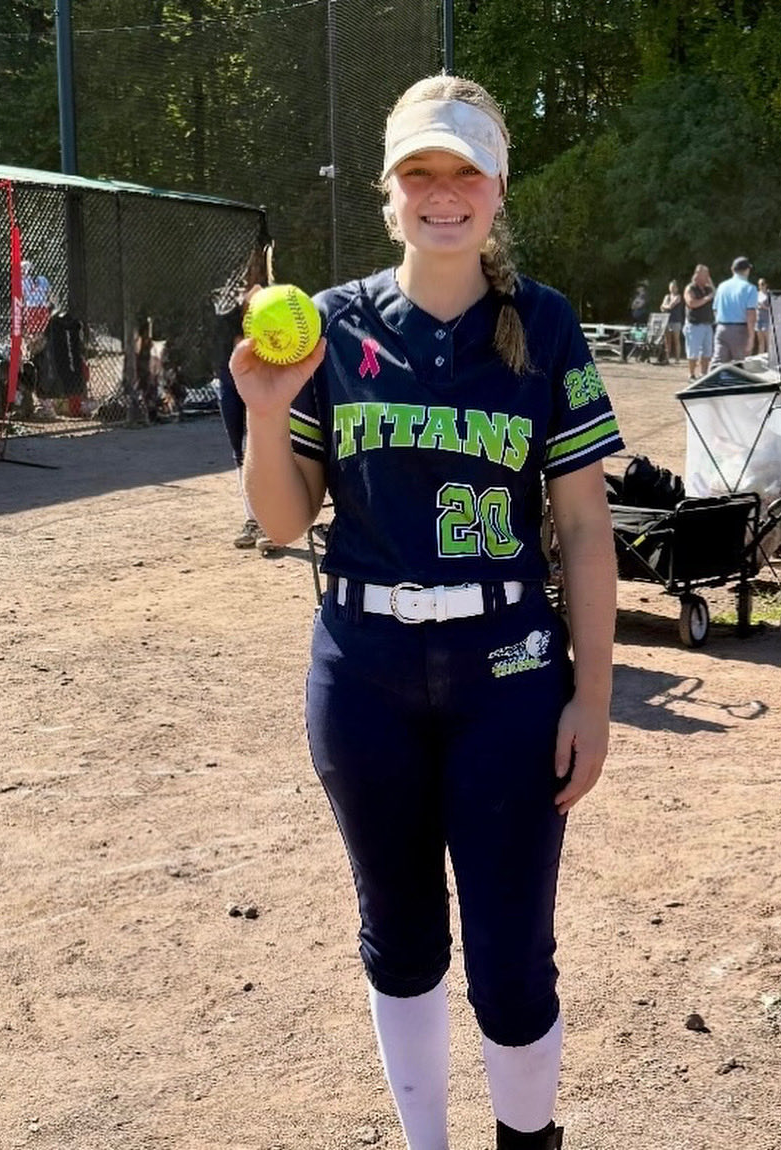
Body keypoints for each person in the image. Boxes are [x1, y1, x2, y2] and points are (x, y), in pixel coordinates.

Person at [230, 74, 623, 1150]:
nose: (440, 193)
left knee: (508, 953)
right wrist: (268, 416)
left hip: (505, 669)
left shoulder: (539, 325)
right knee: (398, 940)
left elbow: (584, 528)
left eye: (462, 172)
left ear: (496, 188)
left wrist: (593, 697)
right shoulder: (328, 328)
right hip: (364, 673)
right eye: (419, 172)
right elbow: (281, 522)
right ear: (387, 192)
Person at [212, 246, 277, 553]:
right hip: (228, 378)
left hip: (263, 376)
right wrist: (242, 300)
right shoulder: (222, 298)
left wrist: (261, 298)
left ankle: (272, 522)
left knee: (263, 447)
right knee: (239, 449)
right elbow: (223, 329)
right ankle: (252, 519)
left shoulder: (275, 296)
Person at [710, 256, 758, 369]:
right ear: (747, 270)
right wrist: (751, 337)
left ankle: (710, 385)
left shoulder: (722, 286)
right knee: (739, 365)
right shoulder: (750, 288)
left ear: (732, 269)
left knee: (717, 364)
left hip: (721, 327)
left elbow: (715, 309)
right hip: (740, 330)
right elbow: (750, 314)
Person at [682, 264, 715, 380]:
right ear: (698, 275)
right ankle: (691, 374)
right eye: (705, 274)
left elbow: (714, 293)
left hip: (707, 324)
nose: (707, 277)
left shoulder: (707, 289)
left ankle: (704, 374)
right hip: (694, 325)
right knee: (693, 352)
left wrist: (709, 282)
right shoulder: (690, 288)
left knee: (707, 352)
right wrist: (706, 299)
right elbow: (691, 303)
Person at [660, 279, 684, 365]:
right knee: (667, 340)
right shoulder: (667, 296)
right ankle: (667, 358)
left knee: (676, 340)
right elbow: (661, 307)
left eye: (674, 287)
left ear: (677, 288)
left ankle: (677, 359)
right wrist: (665, 306)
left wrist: (665, 306)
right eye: (671, 287)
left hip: (676, 320)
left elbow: (669, 306)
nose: (672, 289)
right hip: (667, 320)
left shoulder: (678, 296)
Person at [754, 276, 772, 356]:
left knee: (767, 341)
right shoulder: (757, 295)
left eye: (762, 284)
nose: (761, 286)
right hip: (758, 319)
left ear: (766, 285)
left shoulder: (769, 295)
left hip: (766, 319)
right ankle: (760, 358)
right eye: (759, 284)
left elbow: (772, 308)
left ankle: (769, 358)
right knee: (760, 341)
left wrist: (764, 307)